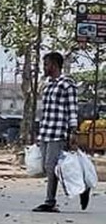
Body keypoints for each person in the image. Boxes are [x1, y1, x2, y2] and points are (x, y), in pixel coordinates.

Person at [34, 51, 82, 213]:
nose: (44, 67)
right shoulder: (48, 84)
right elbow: (46, 110)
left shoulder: (67, 84)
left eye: (46, 64)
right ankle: (82, 186)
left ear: (54, 65)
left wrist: (73, 131)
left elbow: (72, 109)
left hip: (58, 131)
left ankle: (50, 201)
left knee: (51, 165)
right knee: (48, 167)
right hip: (46, 131)